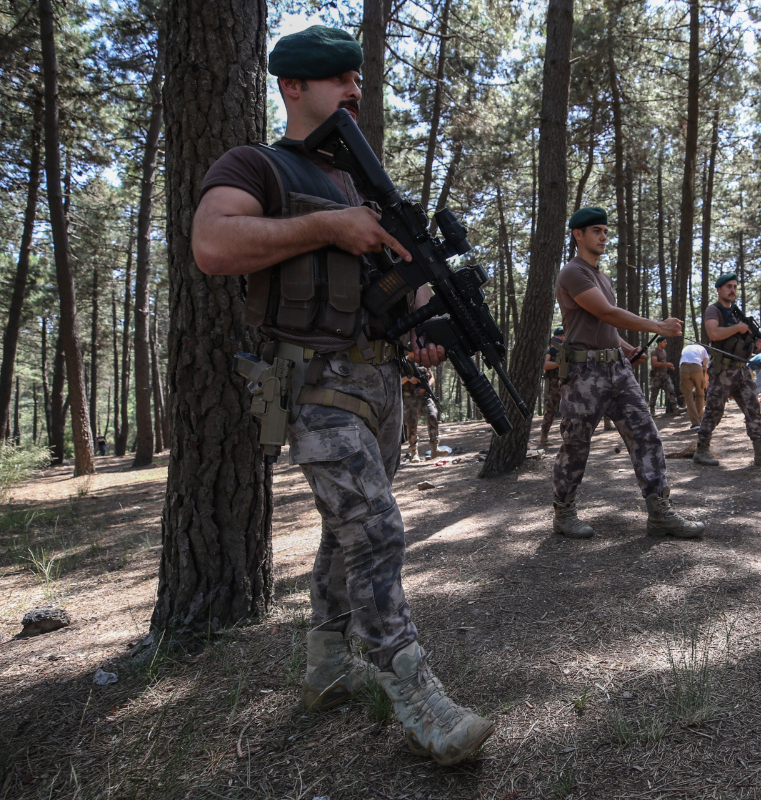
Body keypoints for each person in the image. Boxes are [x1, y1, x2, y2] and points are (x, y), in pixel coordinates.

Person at [190, 26, 492, 765]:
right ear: (293, 87)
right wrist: (329, 223)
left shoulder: (366, 185)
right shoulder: (256, 165)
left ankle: (327, 668)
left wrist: (423, 329)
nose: (355, 89)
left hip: (380, 383)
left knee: (344, 532)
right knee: (379, 529)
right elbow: (213, 244)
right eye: (336, 78)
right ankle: (416, 696)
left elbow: (396, 290)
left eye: (357, 78)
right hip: (313, 384)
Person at [551, 206, 704, 540]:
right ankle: (564, 513)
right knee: (576, 444)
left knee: (646, 435)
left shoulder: (602, 276)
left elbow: (604, 321)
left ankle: (659, 512)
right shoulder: (573, 272)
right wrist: (657, 325)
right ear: (578, 235)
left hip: (617, 369)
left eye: (605, 231)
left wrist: (626, 348)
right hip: (584, 373)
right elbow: (605, 310)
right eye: (596, 231)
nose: (603, 236)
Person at [693, 274, 761, 467]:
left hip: (742, 370)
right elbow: (713, 333)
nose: (732, 290)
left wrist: (756, 345)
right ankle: (701, 450)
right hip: (722, 370)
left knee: (753, 409)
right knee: (714, 411)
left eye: (735, 287)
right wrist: (738, 328)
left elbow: (743, 344)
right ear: (719, 289)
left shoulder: (737, 313)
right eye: (728, 286)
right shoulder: (714, 310)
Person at [401, 365, 441, 461]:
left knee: (432, 416)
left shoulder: (423, 361)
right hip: (410, 399)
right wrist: (408, 378)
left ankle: (435, 449)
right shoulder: (404, 362)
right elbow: (396, 381)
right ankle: (414, 453)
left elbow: (431, 377)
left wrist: (426, 385)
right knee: (412, 425)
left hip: (425, 397)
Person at [538, 326, 565, 448]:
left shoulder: (565, 348)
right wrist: (559, 363)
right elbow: (545, 364)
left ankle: (567, 437)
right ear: (562, 335)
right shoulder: (552, 349)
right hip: (553, 386)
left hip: (565, 384)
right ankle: (543, 438)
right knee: (550, 412)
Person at [677, 343, 709, 430]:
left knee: (688, 396)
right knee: (700, 393)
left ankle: (695, 423)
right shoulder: (703, 349)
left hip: (683, 368)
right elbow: (705, 363)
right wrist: (704, 367)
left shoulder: (686, 348)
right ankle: (699, 419)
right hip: (696, 367)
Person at [648, 336, 679, 416]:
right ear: (660, 342)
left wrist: (669, 366)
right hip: (656, 376)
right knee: (654, 393)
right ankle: (652, 410)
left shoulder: (664, 351)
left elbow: (663, 362)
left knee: (671, 389)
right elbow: (654, 363)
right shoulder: (654, 352)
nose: (666, 343)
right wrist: (666, 364)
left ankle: (675, 409)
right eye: (664, 342)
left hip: (664, 375)